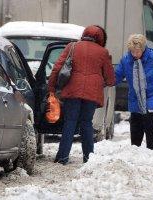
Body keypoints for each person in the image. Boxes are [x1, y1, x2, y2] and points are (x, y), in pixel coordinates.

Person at [48, 25, 115, 164]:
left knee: (70, 123)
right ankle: (88, 158)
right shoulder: (103, 52)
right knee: (86, 124)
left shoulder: (72, 46)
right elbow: (110, 79)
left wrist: (52, 88)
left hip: (73, 92)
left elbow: (57, 68)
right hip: (91, 95)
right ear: (100, 38)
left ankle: (62, 157)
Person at [115, 34, 153, 150]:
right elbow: (117, 75)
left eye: (137, 52)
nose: (135, 55)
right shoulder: (126, 60)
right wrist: (105, 81)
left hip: (151, 96)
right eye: (132, 52)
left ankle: (150, 149)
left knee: (148, 123)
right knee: (135, 124)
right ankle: (135, 149)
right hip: (135, 97)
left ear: (143, 48)